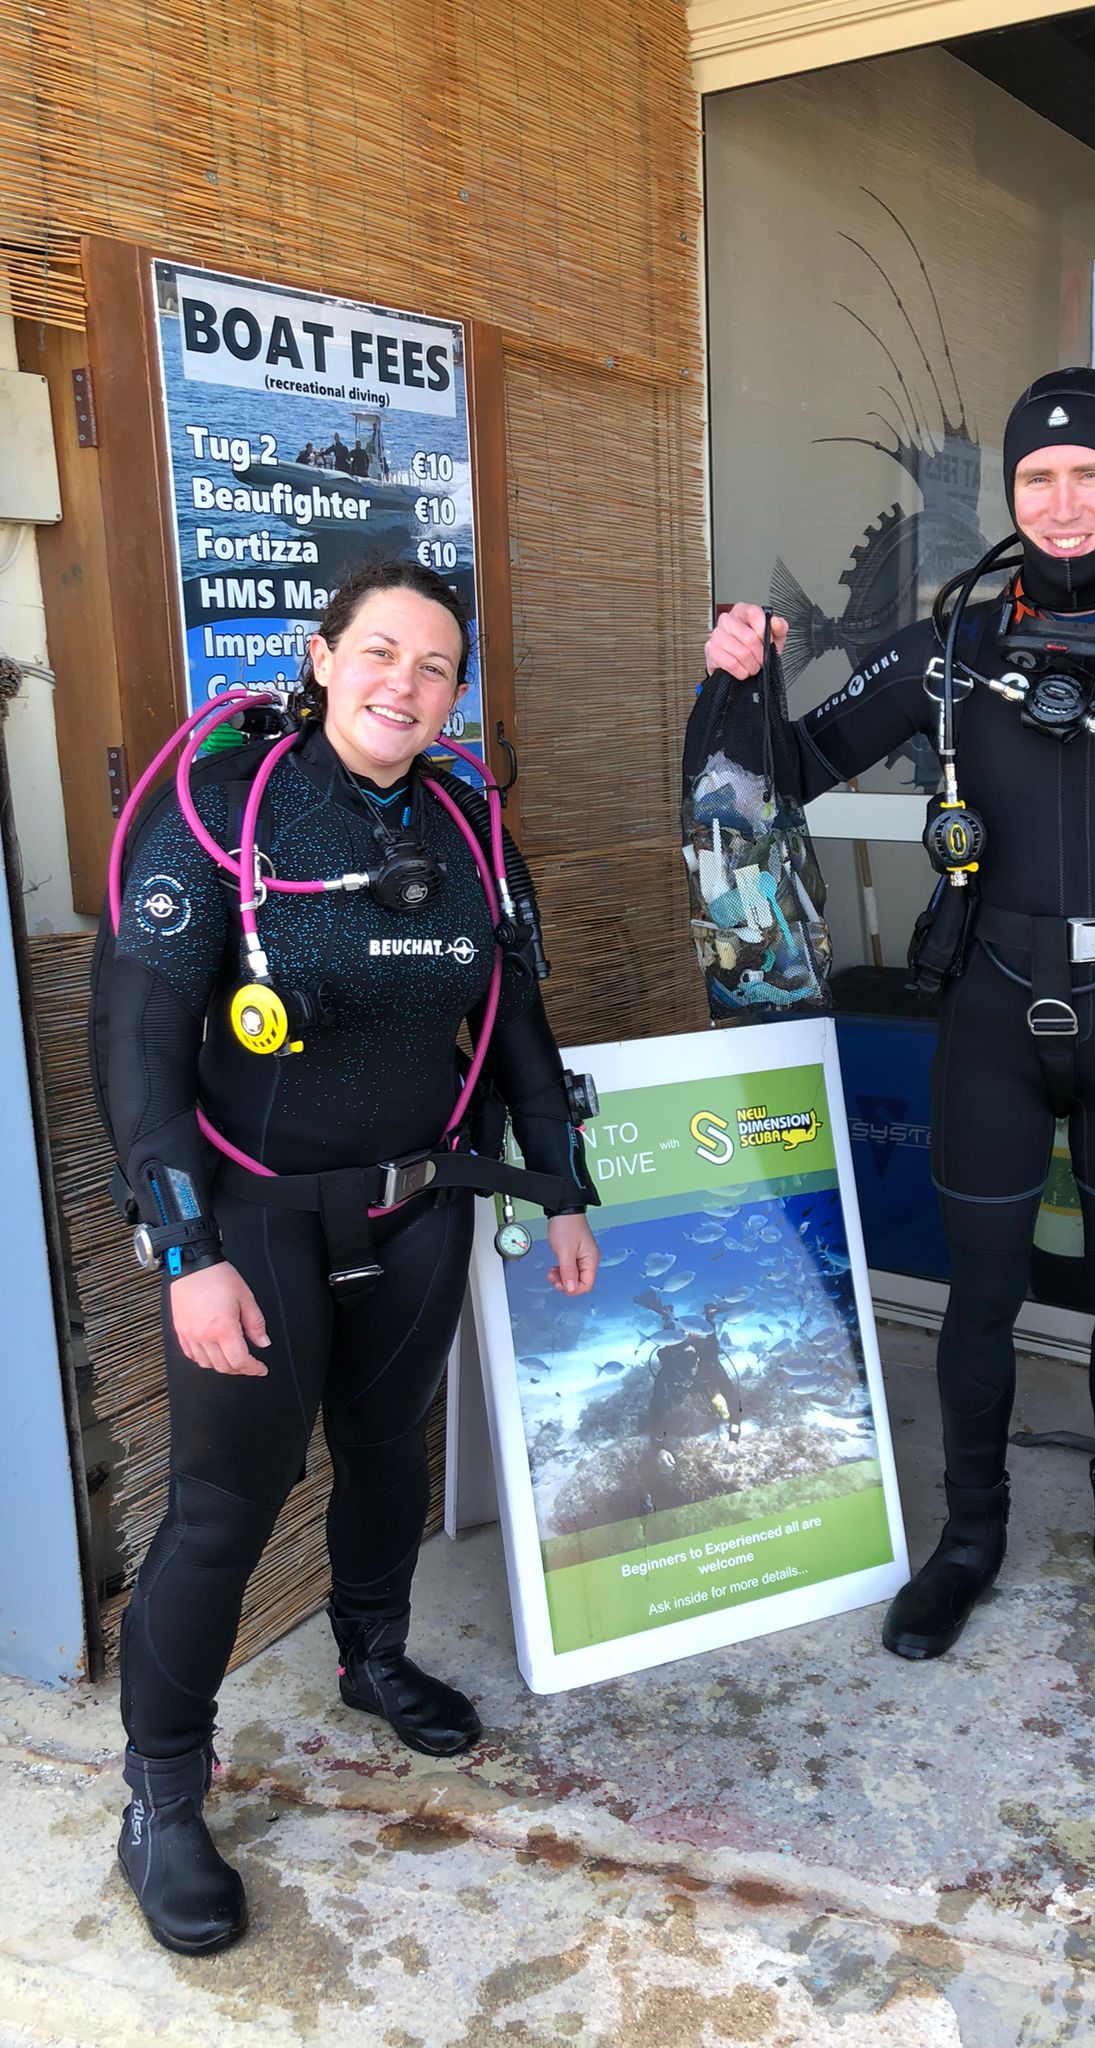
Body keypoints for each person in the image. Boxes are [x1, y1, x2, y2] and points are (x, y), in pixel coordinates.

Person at [700, 366, 1095, 1665]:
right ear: (1014, 493)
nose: (1063, 498)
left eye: (1090, 472)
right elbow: (789, 770)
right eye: (1039, 476)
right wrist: (740, 681)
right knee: (979, 1300)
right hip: (988, 1012)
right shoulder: (951, 650)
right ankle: (967, 1542)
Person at [101, 561, 599, 1955]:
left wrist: (561, 1188)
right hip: (251, 1221)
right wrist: (181, 1245)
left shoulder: (471, 825)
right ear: (322, 659)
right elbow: (137, 1050)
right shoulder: (223, 814)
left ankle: (371, 1655)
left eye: (435, 666)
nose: (405, 683)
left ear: (456, 693)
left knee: (388, 1453)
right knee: (224, 1506)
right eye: (379, 652)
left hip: (418, 1204)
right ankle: (161, 1790)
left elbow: (516, 1027)